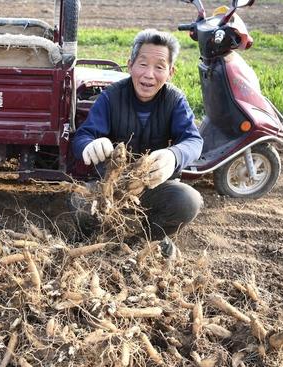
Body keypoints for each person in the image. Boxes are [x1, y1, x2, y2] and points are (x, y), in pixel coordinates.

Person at [72, 29, 203, 254]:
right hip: (110, 187)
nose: (149, 74)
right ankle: (92, 243)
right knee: (79, 202)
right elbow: (82, 136)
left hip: (153, 185)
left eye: (159, 67)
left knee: (188, 200)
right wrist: (89, 145)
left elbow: (193, 140)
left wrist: (174, 155)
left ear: (171, 72)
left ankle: (145, 240)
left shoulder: (174, 100)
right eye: (142, 64)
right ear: (130, 64)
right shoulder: (111, 97)